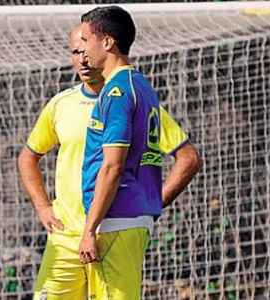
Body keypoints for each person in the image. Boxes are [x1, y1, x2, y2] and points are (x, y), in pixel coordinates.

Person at [19, 22, 201, 299]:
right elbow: (28, 157)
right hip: (66, 236)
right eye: (75, 52)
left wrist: (151, 202)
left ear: (103, 45)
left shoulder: (128, 99)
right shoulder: (60, 104)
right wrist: (43, 207)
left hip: (111, 228)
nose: (82, 59)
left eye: (85, 49)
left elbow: (188, 158)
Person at [76, 6, 196, 299]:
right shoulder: (141, 86)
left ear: (107, 43)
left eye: (87, 40)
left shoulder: (116, 91)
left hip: (115, 218)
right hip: (131, 217)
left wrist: (90, 229)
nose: (83, 50)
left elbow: (112, 166)